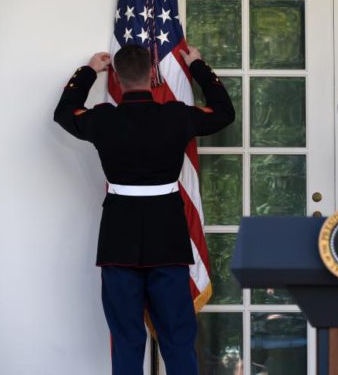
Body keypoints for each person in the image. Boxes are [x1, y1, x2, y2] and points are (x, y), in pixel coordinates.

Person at [54, 44, 235, 375]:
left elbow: (64, 113)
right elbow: (224, 112)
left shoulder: (103, 119)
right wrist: (197, 66)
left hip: (119, 239)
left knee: (127, 340)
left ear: (117, 78)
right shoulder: (176, 116)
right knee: (177, 339)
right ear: (153, 74)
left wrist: (88, 71)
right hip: (167, 238)